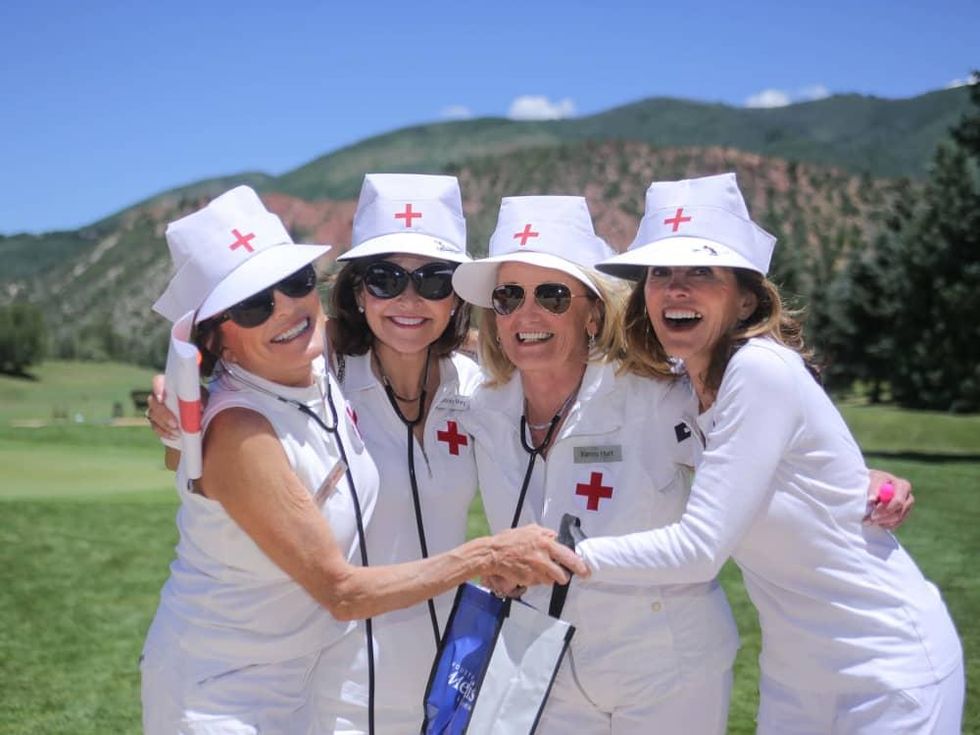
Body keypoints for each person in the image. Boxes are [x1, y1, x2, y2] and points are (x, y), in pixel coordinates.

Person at [140, 185, 586, 734]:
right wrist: (176, 420)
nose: (409, 300)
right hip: (330, 691)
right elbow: (216, 457)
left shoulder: (477, 391)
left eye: (433, 281)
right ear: (356, 294)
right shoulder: (318, 375)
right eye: (384, 279)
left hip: (449, 675)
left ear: (456, 298)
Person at [585, 172, 964, 733]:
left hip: (887, 670)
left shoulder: (759, 370)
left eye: (701, 272)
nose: (675, 289)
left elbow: (699, 551)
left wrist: (560, 555)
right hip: (794, 678)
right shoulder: (685, 390)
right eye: (660, 272)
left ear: (744, 300)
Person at [450, 195, 741, 734]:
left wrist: (854, 481)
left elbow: (746, 452)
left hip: (664, 666)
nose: (527, 314)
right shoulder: (484, 409)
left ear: (592, 311)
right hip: (543, 661)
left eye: (552, 295)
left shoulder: (653, 396)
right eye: (509, 296)